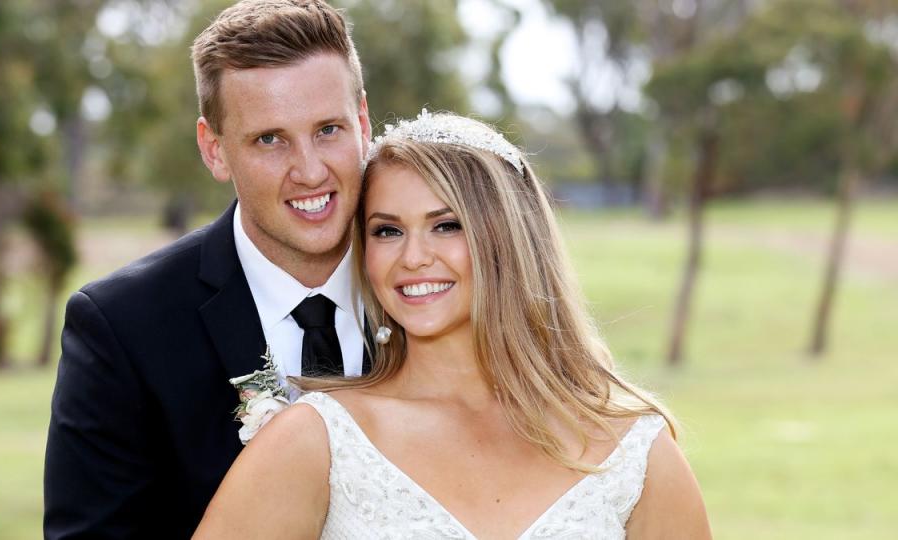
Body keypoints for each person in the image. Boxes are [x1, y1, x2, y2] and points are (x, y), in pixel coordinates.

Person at [194, 111, 713, 539]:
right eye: (388, 230)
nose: (413, 258)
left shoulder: (632, 451)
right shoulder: (317, 439)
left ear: (507, 237)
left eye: (446, 225)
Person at [43, 1, 371, 537]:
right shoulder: (121, 328)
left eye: (329, 129)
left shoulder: (433, 291)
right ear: (214, 150)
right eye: (270, 139)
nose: (310, 171)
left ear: (362, 121)